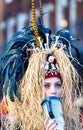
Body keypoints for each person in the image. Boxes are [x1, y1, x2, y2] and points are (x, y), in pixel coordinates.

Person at [0, 0, 82, 130]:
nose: (53, 91)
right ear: (35, 89)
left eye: (58, 85)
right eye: (46, 85)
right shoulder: (16, 125)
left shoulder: (75, 123)